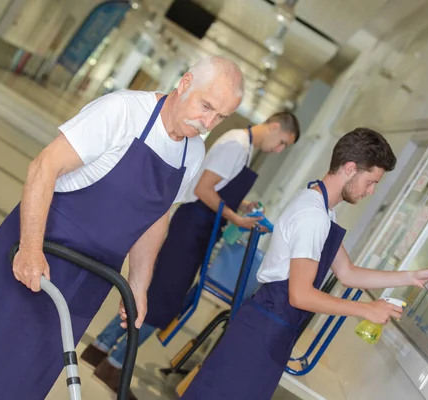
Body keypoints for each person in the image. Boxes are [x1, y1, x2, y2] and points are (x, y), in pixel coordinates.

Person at [0, 55, 245, 400]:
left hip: (88, 283)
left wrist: (139, 286)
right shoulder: (123, 112)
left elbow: (157, 218)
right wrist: (30, 249)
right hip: (38, 254)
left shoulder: (193, 154)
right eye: (206, 106)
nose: (208, 122)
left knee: (19, 378)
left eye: (220, 117)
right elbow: (44, 167)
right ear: (184, 83)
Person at [180, 127, 428, 400]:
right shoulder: (313, 216)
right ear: (349, 168)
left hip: (273, 330)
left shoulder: (321, 208)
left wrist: (413, 277)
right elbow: (300, 294)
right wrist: (365, 309)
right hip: (263, 332)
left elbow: (348, 273)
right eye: (371, 181)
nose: (371, 191)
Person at [79, 112, 301, 397]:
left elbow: (217, 187)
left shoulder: (244, 149)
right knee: (164, 299)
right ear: (273, 127)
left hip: (199, 224)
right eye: (282, 142)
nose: (279, 150)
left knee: (159, 291)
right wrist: (236, 218)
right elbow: (203, 189)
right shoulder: (236, 145)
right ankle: (115, 362)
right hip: (194, 224)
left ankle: (99, 349)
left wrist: (241, 205)